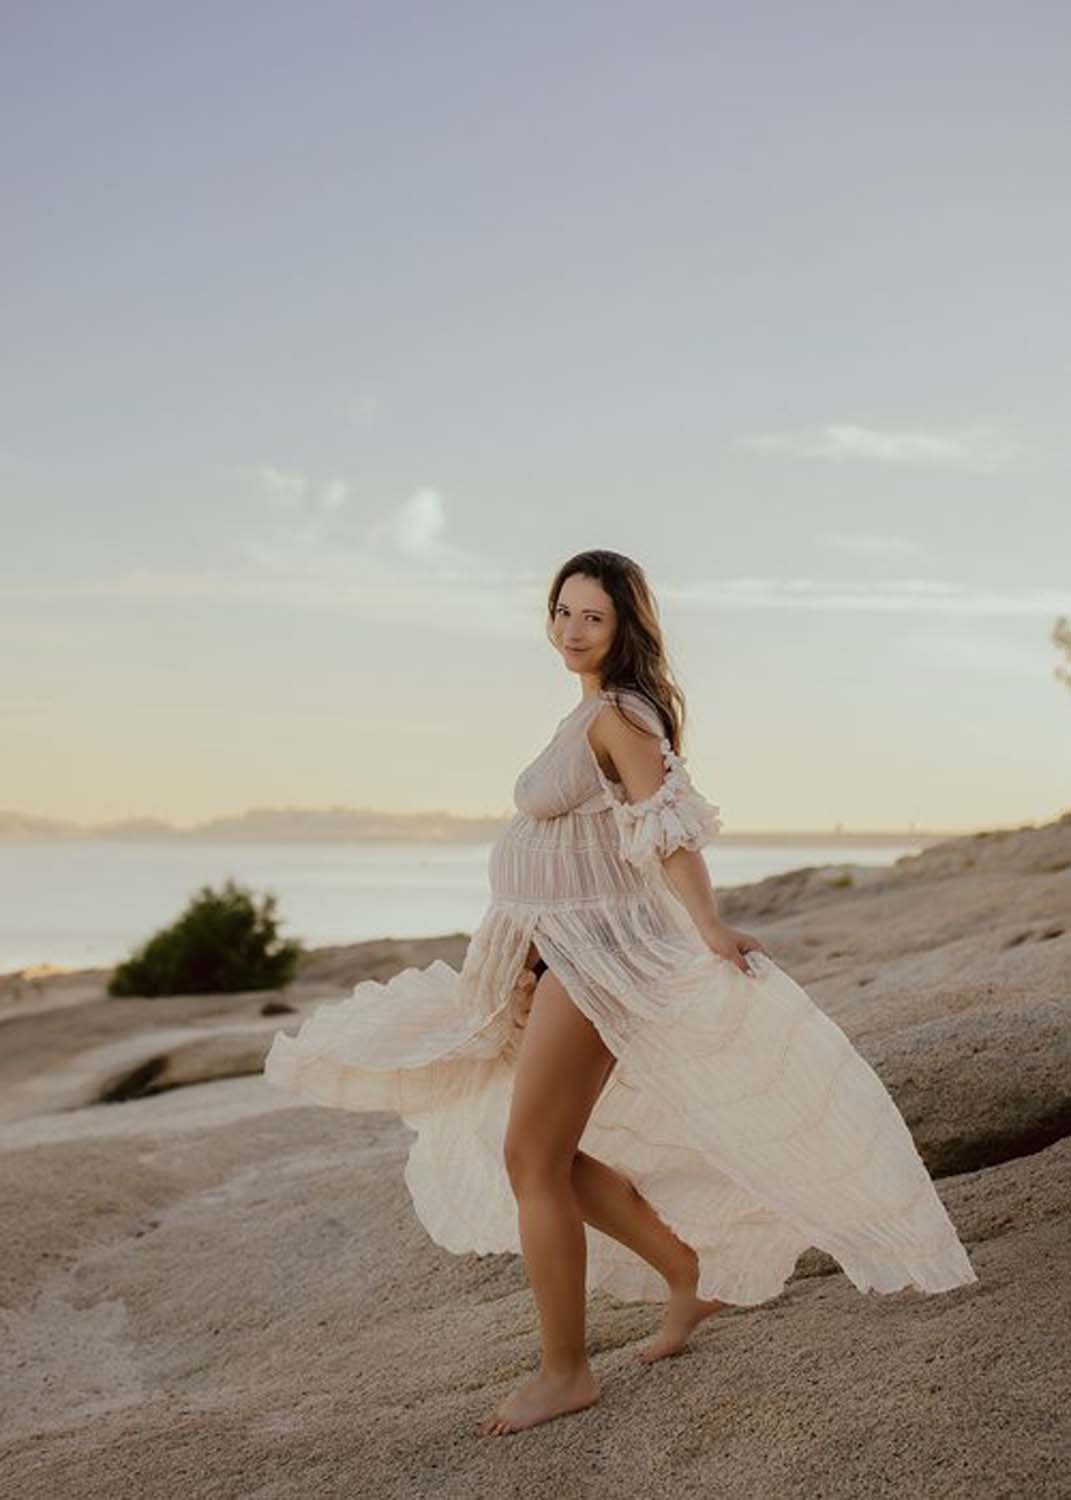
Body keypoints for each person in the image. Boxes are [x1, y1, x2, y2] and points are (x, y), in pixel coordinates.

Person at [263, 548, 977, 1438]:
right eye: (562, 611)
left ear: (624, 626)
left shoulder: (620, 716)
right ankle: (685, 1272)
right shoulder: (585, 712)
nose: (571, 629)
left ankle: (565, 1370)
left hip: (603, 963)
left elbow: (665, 832)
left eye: (591, 617)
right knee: (543, 1155)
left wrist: (711, 929)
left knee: (529, 1157)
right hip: (562, 957)